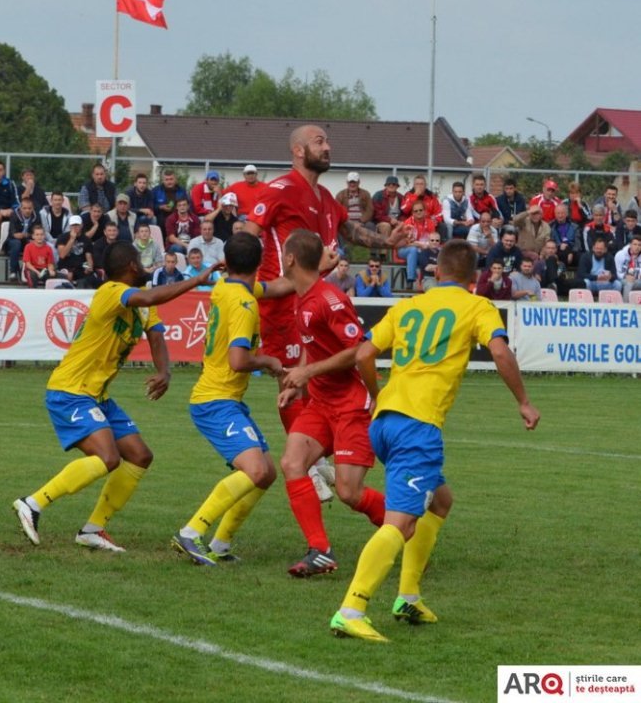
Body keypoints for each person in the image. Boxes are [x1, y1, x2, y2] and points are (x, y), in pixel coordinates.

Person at [329, 239, 539, 642]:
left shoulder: (408, 306)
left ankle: (408, 596)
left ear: (436, 272)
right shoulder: (478, 306)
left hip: (385, 421)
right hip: (417, 426)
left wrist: (376, 393)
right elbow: (499, 352)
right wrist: (525, 402)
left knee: (440, 500)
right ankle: (352, 608)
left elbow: (362, 355)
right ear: (475, 278)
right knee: (402, 522)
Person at [12, 241, 222, 552]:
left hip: (96, 395)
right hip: (70, 390)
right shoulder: (111, 291)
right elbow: (149, 295)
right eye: (139, 260)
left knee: (139, 455)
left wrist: (165, 371)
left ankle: (92, 529)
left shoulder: (143, 305)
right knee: (108, 458)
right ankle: (33, 503)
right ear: (132, 267)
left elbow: (156, 335)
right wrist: (196, 280)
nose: (144, 265)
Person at [246, 125, 408, 433]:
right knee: (295, 379)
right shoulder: (280, 189)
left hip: (316, 301)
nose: (327, 147)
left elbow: (351, 231)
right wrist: (248, 286)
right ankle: (309, 465)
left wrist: (388, 243)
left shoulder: (326, 198)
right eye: (319, 142)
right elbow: (248, 238)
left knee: (321, 380)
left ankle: (317, 456)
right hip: (283, 307)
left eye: (327, 141)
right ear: (298, 150)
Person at [171, 232, 288, 566]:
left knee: (266, 472)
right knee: (254, 469)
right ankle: (191, 533)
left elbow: (277, 287)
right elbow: (239, 361)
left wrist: (315, 270)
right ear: (259, 264)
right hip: (215, 400)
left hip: (224, 399)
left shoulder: (224, 286)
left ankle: (220, 544)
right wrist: (268, 361)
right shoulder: (245, 302)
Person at [275, 230, 385, 577]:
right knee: (292, 463)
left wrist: (308, 372)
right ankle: (320, 550)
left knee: (349, 493)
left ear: (291, 259)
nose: (279, 256)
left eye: (282, 252)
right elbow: (314, 341)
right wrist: (299, 379)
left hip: (351, 405)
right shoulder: (303, 294)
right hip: (321, 404)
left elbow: (358, 351)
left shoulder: (329, 300)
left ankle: (408, 528)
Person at [396, 201, 439, 286]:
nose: (418, 212)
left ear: (425, 211)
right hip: (404, 249)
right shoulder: (407, 223)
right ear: (412, 213)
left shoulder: (430, 223)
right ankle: (411, 279)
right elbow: (406, 243)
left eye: (420, 210)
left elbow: (433, 240)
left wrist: (420, 245)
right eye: (416, 211)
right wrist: (420, 244)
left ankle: (425, 279)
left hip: (423, 249)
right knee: (413, 250)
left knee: (426, 252)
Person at [335, 172, 374, 253]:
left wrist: (361, 222)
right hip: (346, 222)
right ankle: (344, 251)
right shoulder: (340, 195)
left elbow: (370, 210)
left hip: (362, 222)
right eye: (350, 182)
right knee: (338, 227)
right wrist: (349, 222)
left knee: (371, 226)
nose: (352, 184)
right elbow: (336, 211)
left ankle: (371, 253)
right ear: (347, 183)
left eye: (354, 182)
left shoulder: (365, 194)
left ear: (358, 182)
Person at [4, 198, 38, 280]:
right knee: (16, 243)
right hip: (11, 242)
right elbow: (13, 233)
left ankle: (32, 271)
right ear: (20, 208)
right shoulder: (14, 215)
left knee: (35, 244)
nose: (27, 210)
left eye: (29, 208)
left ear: (33, 208)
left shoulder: (36, 217)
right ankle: (13, 272)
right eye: (25, 208)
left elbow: (36, 232)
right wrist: (27, 235)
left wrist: (26, 235)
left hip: (27, 241)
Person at [56, 215, 94, 285]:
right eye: (73, 225)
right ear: (70, 226)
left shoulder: (86, 239)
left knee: (90, 278)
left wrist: (89, 267)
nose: (75, 227)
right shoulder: (62, 237)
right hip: (65, 266)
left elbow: (89, 257)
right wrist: (72, 239)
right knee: (68, 274)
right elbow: (62, 255)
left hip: (81, 267)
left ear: (81, 225)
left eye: (77, 225)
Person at [370, 176, 404, 251]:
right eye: (389, 184)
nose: (391, 186)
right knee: (386, 226)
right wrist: (389, 220)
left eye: (394, 184)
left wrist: (400, 221)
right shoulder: (378, 196)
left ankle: (400, 255)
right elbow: (377, 214)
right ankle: (384, 253)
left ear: (397, 186)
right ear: (386, 186)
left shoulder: (401, 197)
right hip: (381, 222)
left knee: (405, 227)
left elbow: (404, 213)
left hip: (396, 223)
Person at [550, 203, 582, 270]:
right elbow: (550, 242)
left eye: (562, 213)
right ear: (555, 214)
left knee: (582, 256)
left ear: (566, 214)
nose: (560, 215)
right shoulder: (550, 226)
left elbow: (578, 244)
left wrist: (570, 252)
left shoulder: (574, 226)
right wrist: (559, 245)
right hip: (557, 251)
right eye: (558, 213)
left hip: (573, 251)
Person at [614, 234, 641, 301]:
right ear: (630, 245)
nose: (637, 247)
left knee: (631, 282)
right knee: (629, 283)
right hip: (621, 279)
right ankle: (625, 306)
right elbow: (616, 272)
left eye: (639, 245)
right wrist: (625, 276)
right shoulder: (620, 255)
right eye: (635, 244)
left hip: (637, 280)